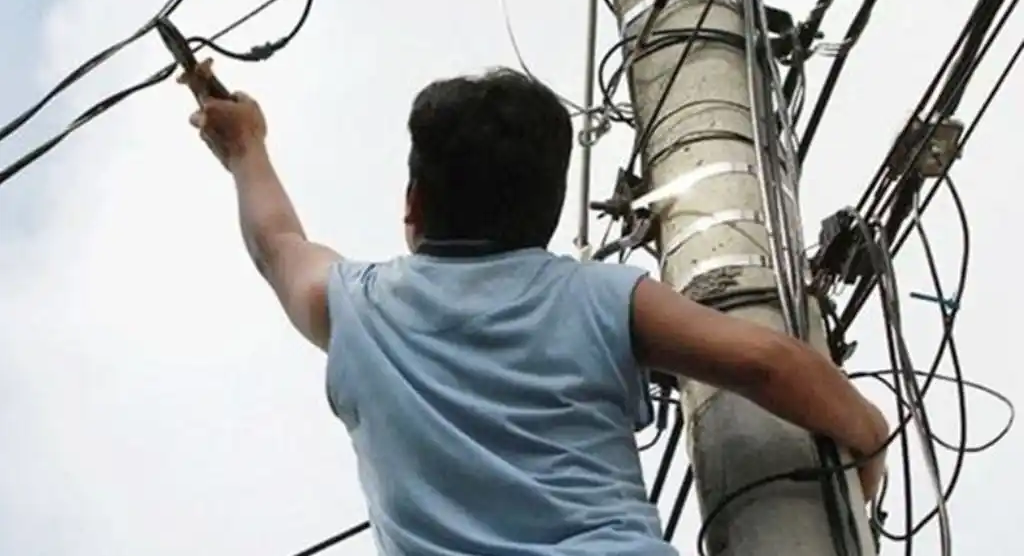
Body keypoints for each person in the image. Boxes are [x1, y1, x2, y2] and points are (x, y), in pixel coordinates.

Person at [182, 61, 888, 556]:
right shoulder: (599, 295)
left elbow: (277, 243)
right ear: (548, 213)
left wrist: (244, 145)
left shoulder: (357, 308)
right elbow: (765, 361)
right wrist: (868, 434)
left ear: (414, 203)